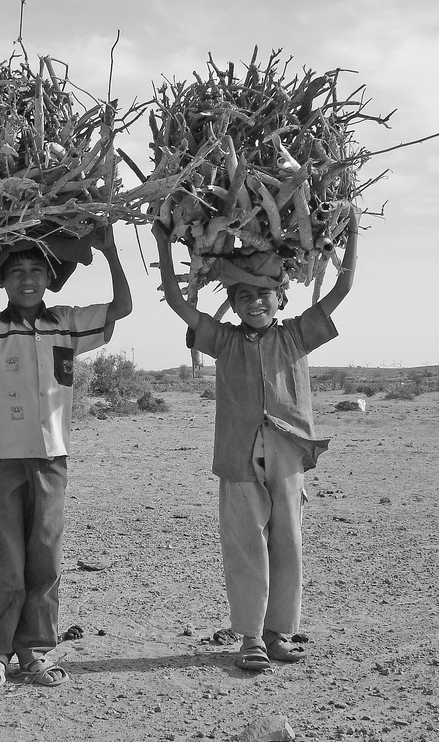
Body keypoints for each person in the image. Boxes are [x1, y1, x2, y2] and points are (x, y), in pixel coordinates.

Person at [154, 207, 359, 672]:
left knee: (288, 542)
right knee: (245, 544)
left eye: (264, 294)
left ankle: (277, 633)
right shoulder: (222, 340)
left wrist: (352, 231)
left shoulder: (297, 336)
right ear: (231, 302)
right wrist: (164, 244)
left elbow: (342, 288)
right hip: (238, 456)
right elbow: (175, 300)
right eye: (243, 295)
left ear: (281, 298)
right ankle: (250, 638)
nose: (254, 303)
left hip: (287, 452)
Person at [0, 226, 132, 689]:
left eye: (37, 270)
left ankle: (33, 651)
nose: (28, 279)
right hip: (5, 458)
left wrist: (110, 252)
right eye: (16, 272)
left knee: (47, 558)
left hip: (53, 457)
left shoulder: (68, 323)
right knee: (9, 559)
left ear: (51, 277)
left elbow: (122, 307)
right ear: (2, 281)